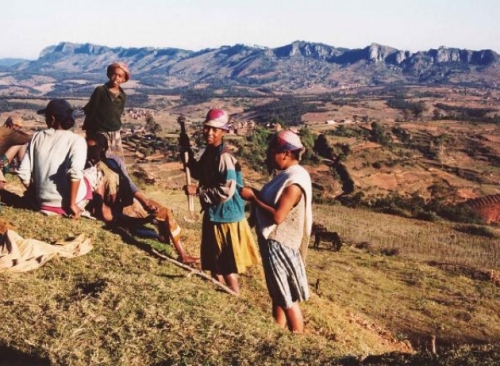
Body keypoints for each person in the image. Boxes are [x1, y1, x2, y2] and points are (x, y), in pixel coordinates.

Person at [85, 132, 199, 264]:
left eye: (95, 148)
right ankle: (155, 234)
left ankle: (182, 253)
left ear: (104, 148)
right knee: (141, 222)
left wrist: (145, 202)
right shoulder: (88, 167)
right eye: (89, 148)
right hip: (115, 209)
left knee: (164, 212)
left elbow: (129, 183)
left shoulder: (114, 161)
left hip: (129, 202)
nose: (92, 152)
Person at [240, 129, 313, 333]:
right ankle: (277, 330)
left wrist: (253, 197)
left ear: (286, 154)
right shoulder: (290, 175)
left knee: (287, 299)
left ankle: (297, 337)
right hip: (278, 243)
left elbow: (278, 217)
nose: (269, 157)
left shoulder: (294, 182)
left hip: (279, 243)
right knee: (278, 293)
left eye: (272, 152)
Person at [184, 108, 260, 295]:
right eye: (207, 128)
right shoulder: (210, 152)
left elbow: (227, 189)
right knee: (213, 263)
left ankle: (235, 296)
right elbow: (199, 172)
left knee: (226, 266)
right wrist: (186, 154)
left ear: (223, 132)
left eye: (215, 130)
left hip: (227, 217)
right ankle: (222, 296)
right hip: (214, 214)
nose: (209, 132)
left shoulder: (224, 157)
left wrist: (198, 191)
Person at [17, 99, 90, 218]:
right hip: (65, 205)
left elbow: (23, 173)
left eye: (46, 117)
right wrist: (72, 205)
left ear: (52, 119)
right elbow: (75, 173)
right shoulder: (77, 140)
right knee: (94, 175)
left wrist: (35, 194)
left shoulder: (37, 137)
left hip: (41, 202)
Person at [82, 62, 130, 158]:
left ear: (124, 79)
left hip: (114, 132)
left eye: (120, 76)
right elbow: (91, 110)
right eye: (114, 74)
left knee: (116, 159)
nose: (116, 78)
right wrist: (89, 131)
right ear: (109, 74)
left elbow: (119, 113)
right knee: (95, 156)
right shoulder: (100, 91)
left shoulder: (122, 95)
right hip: (99, 131)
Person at [0, 115, 31, 190]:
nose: (17, 128)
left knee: (21, 145)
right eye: (16, 125)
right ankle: (25, 173)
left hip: (3, 162)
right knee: (20, 145)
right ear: (10, 123)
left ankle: (24, 170)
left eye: (19, 127)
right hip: (2, 162)